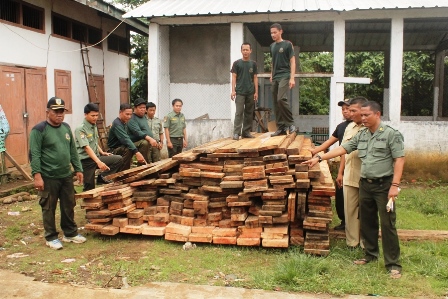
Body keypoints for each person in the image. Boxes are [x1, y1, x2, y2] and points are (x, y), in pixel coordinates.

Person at [303, 101, 405, 279]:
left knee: (388, 224)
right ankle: (370, 255)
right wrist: (319, 157)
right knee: (367, 221)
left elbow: (399, 160)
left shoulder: (391, 134)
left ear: (378, 114)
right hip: (365, 184)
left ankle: (393, 264)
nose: (363, 118)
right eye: (362, 115)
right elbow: (344, 148)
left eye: (367, 115)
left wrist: (395, 186)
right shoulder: (362, 134)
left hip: (384, 186)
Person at [29, 97, 86, 250]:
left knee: (69, 204)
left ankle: (70, 233)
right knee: (49, 206)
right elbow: (35, 154)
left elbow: (73, 150)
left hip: (66, 175)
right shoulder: (39, 130)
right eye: (56, 112)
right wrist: (37, 175)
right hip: (48, 176)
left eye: (62, 111)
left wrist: (78, 169)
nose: (60, 115)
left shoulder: (66, 128)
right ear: (48, 112)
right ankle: (51, 236)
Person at [311, 98, 352, 230]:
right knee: (340, 195)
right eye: (343, 109)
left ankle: (353, 224)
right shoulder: (341, 127)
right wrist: (313, 151)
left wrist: (340, 172)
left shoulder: (358, 128)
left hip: (351, 165)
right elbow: (329, 142)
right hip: (343, 163)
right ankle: (344, 221)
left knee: (350, 196)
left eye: (348, 109)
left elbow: (345, 151)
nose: (345, 112)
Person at [338, 96, 368, 248]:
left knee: (365, 211)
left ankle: (365, 242)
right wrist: (341, 172)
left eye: (352, 110)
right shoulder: (349, 128)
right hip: (350, 174)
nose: (348, 113)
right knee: (349, 211)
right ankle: (352, 242)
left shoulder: (370, 127)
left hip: (365, 176)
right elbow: (344, 150)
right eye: (348, 110)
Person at [74, 103, 123, 191]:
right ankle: (87, 203)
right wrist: (98, 162)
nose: (95, 118)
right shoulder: (80, 129)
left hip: (96, 157)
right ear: (85, 114)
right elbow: (86, 147)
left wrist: (102, 153)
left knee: (118, 159)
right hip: (86, 161)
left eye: (97, 115)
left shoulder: (94, 126)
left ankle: (102, 177)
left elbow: (95, 142)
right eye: (93, 115)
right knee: (89, 187)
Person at [269, 23, 297, 137]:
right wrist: (271, 74)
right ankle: (281, 127)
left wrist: (292, 77)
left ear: (281, 31)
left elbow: (292, 61)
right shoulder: (272, 46)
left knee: (281, 99)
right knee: (275, 102)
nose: (273, 35)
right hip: (275, 76)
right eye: (271, 33)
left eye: (275, 32)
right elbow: (272, 62)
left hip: (285, 75)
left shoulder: (287, 44)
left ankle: (290, 124)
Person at [231, 42, 258, 140]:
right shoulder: (237, 63)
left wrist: (256, 92)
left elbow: (255, 78)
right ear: (241, 51)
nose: (245, 51)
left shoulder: (253, 64)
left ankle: (246, 132)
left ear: (250, 51)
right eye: (244, 50)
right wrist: (233, 90)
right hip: (240, 92)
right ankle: (236, 133)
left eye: (247, 50)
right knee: (239, 112)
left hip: (250, 92)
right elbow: (234, 77)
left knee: (249, 112)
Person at [107, 103, 147, 171]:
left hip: (123, 146)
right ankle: (123, 172)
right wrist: (137, 152)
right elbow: (125, 139)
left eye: (130, 114)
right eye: (127, 114)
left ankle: (142, 167)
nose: (129, 117)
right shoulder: (117, 124)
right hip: (114, 150)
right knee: (129, 148)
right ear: (120, 112)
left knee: (144, 143)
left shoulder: (125, 122)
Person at [127, 98, 158, 163]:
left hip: (147, 142)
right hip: (134, 143)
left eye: (144, 108)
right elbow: (137, 132)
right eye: (140, 108)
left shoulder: (143, 117)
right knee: (145, 143)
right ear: (134, 108)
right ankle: (143, 164)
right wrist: (149, 138)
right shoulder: (132, 118)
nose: (143, 109)